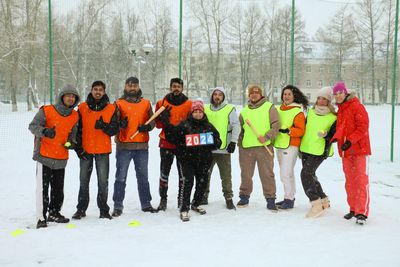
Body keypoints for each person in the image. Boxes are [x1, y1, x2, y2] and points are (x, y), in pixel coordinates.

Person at [29, 84, 80, 229]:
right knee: (42, 189)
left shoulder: (75, 115)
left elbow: (73, 134)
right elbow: (32, 126)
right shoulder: (47, 110)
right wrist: (45, 132)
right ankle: (41, 217)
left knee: (58, 189)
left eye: (73, 96)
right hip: (44, 156)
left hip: (61, 157)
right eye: (68, 95)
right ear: (62, 96)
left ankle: (54, 212)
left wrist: (71, 142)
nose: (70, 98)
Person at [164, 100, 222, 221]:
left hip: (204, 160)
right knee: (188, 182)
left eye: (200, 112)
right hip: (187, 159)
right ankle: (184, 208)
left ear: (203, 113)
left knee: (202, 182)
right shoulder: (185, 125)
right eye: (195, 111)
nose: (198, 114)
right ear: (191, 113)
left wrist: (213, 142)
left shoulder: (208, 126)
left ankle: (196, 203)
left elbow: (218, 141)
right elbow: (173, 137)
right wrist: (166, 123)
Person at [72, 81, 119, 220]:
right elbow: (76, 130)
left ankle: (103, 210)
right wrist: (78, 148)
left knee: (103, 182)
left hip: (103, 150)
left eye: (100, 90)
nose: (98, 92)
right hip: (85, 151)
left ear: (104, 92)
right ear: (91, 90)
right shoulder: (82, 107)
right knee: (83, 181)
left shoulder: (111, 108)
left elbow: (115, 129)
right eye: (95, 89)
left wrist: (104, 126)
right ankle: (81, 209)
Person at [111, 76, 158, 217]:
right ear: (125, 87)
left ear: (138, 87)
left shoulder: (146, 103)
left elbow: (153, 121)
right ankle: (118, 206)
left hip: (142, 147)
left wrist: (147, 127)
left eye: (135, 85)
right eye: (129, 85)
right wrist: (120, 125)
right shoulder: (118, 104)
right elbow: (113, 123)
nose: (132, 88)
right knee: (120, 177)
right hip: (124, 146)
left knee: (143, 177)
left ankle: (146, 204)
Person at [331, 82, 371, 225]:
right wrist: (335, 138)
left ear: (345, 92)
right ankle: (353, 208)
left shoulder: (356, 106)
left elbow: (363, 127)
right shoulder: (340, 109)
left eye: (340, 93)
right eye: (335, 94)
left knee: (361, 180)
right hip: (346, 151)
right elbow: (341, 128)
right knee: (350, 181)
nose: (338, 96)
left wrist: (351, 141)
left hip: (359, 149)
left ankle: (362, 212)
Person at [237, 85, 280, 211]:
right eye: (252, 93)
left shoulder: (269, 107)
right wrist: (239, 144)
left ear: (261, 95)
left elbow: (276, 125)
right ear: (249, 95)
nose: (254, 95)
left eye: (257, 93)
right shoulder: (244, 111)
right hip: (246, 148)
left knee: (267, 174)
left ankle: (270, 198)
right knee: (245, 174)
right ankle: (244, 196)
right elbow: (241, 130)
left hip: (264, 147)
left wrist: (267, 137)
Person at [155, 78, 192, 211]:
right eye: (174, 86)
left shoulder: (189, 104)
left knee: (183, 174)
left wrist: (183, 126)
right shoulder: (161, 103)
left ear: (182, 88)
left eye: (178, 86)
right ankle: (163, 199)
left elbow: (192, 124)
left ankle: (181, 199)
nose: (176, 88)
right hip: (166, 142)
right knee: (164, 173)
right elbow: (157, 125)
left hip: (182, 143)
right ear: (170, 87)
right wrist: (162, 118)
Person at [299, 87, 336, 218]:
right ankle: (324, 199)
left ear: (328, 101)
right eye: (319, 98)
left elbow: (335, 136)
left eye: (324, 99)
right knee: (311, 174)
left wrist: (326, 135)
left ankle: (315, 203)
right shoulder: (310, 112)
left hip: (320, 151)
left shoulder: (333, 117)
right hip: (306, 148)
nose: (320, 101)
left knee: (305, 174)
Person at [203, 87, 240, 210]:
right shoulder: (205, 108)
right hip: (208, 148)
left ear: (223, 97)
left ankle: (228, 198)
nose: (217, 96)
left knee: (225, 176)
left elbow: (236, 126)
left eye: (220, 94)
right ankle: (203, 196)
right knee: (205, 175)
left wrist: (233, 142)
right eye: (215, 94)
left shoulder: (229, 109)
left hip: (223, 149)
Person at [273, 85, 307, 210]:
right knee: (288, 173)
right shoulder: (278, 109)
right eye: (284, 94)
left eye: (289, 94)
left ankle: (289, 198)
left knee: (285, 174)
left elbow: (301, 130)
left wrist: (289, 131)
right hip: (279, 144)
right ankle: (289, 198)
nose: (286, 96)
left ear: (294, 96)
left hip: (291, 145)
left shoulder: (298, 111)